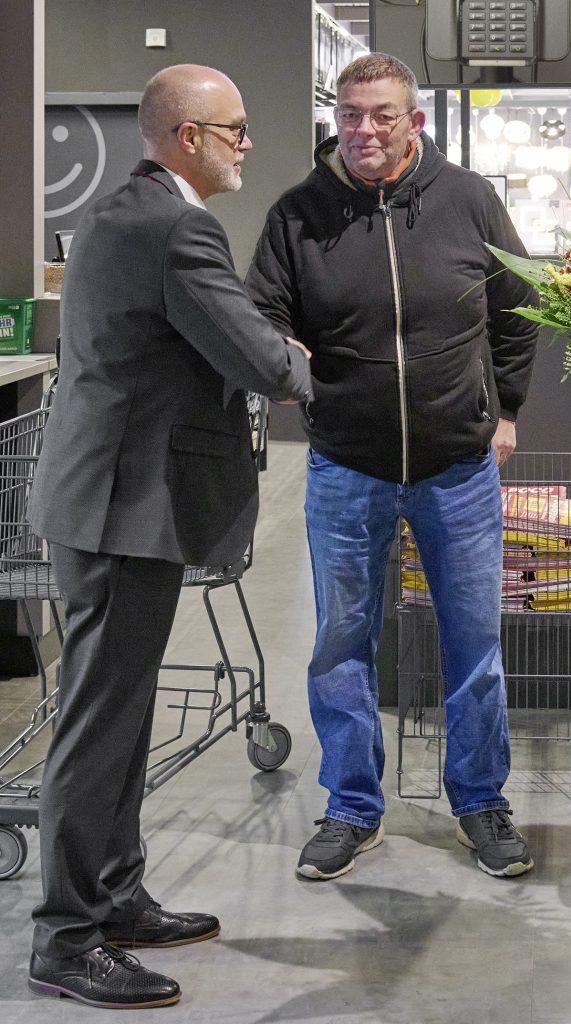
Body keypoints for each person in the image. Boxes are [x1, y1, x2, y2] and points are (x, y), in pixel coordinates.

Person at [26, 64, 313, 1009]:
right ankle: (68, 940)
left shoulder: (130, 211)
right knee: (99, 725)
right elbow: (258, 356)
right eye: (234, 129)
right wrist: (291, 363)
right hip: (121, 507)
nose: (246, 145)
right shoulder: (176, 227)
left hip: (113, 502)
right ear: (187, 136)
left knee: (121, 715)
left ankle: (113, 898)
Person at [246, 52, 538, 882]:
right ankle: (351, 806)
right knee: (341, 643)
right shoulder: (298, 214)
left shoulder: (468, 200)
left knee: (475, 642)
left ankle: (480, 800)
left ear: (414, 121)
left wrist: (505, 408)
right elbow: (261, 310)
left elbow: (519, 312)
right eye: (350, 112)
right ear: (334, 116)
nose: (365, 128)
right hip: (346, 467)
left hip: (458, 468)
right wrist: (292, 367)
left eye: (382, 114)